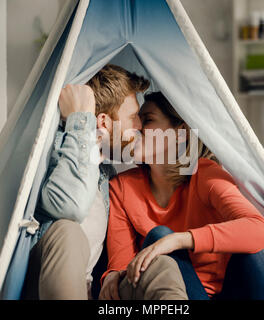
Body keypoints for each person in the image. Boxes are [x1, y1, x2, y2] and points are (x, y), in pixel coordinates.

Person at [22, 65, 186, 300]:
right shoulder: (57, 151)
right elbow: (71, 206)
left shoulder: (105, 175)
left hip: (88, 293)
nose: (139, 127)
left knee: (161, 267)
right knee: (68, 231)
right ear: (103, 122)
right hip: (39, 287)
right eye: (133, 118)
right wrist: (82, 119)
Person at [100, 92, 264, 300]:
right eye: (137, 119)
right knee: (159, 236)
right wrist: (112, 275)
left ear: (180, 133)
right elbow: (121, 263)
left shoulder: (205, 175)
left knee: (252, 253)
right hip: (176, 296)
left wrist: (180, 240)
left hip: (228, 292)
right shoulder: (121, 187)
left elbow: (260, 229)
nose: (137, 127)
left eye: (147, 120)